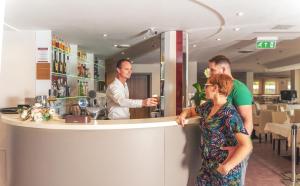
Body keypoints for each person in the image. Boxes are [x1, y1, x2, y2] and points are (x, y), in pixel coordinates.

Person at [178, 74, 252, 185]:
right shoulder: (208, 106)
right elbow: (191, 111)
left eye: (206, 85)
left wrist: (227, 167)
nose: (204, 89)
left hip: (223, 169)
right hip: (208, 165)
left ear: (215, 88)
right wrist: (183, 115)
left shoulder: (230, 114)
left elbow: (247, 145)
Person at [208, 55, 253, 186]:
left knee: (235, 182)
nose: (210, 73)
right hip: (223, 147)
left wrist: (239, 147)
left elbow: (248, 120)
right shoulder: (220, 88)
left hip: (236, 147)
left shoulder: (239, 89)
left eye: (212, 70)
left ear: (223, 69)